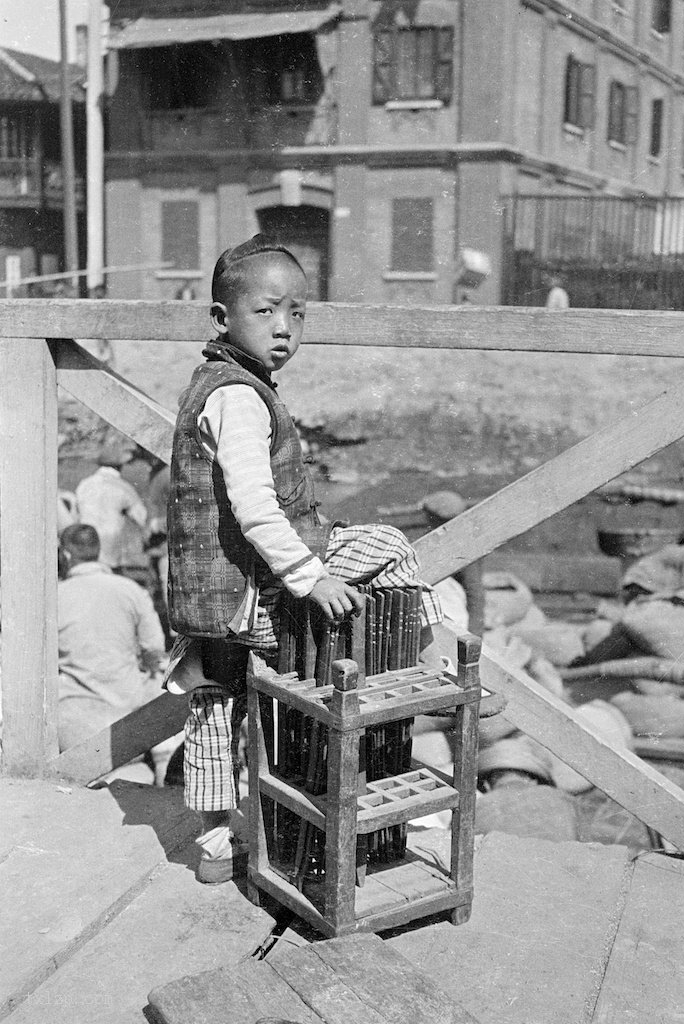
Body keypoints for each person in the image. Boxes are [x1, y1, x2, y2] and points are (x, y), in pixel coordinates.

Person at [165, 235, 443, 883]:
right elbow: (257, 507)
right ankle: (432, 660)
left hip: (210, 600)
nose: (284, 329)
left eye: (297, 313)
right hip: (257, 590)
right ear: (220, 319)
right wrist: (310, 575)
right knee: (392, 548)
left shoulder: (212, 385)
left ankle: (213, 844)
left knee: (215, 699)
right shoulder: (238, 397)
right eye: (266, 312)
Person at [57, 524, 166, 767]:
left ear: (65, 555)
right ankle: (162, 761)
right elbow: (155, 649)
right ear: (98, 551)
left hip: (74, 728)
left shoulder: (55, 596)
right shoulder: (131, 590)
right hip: (128, 725)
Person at [75, 439, 150, 584]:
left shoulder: (84, 485)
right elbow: (142, 518)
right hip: (110, 547)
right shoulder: (123, 487)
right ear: (121, 465)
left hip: (87, 541)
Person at [421, 490, 486, 636]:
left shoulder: (464, 546)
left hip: (454, 613)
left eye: (430, 517)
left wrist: (474, 635)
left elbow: (474, 592)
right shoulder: (432, 538)